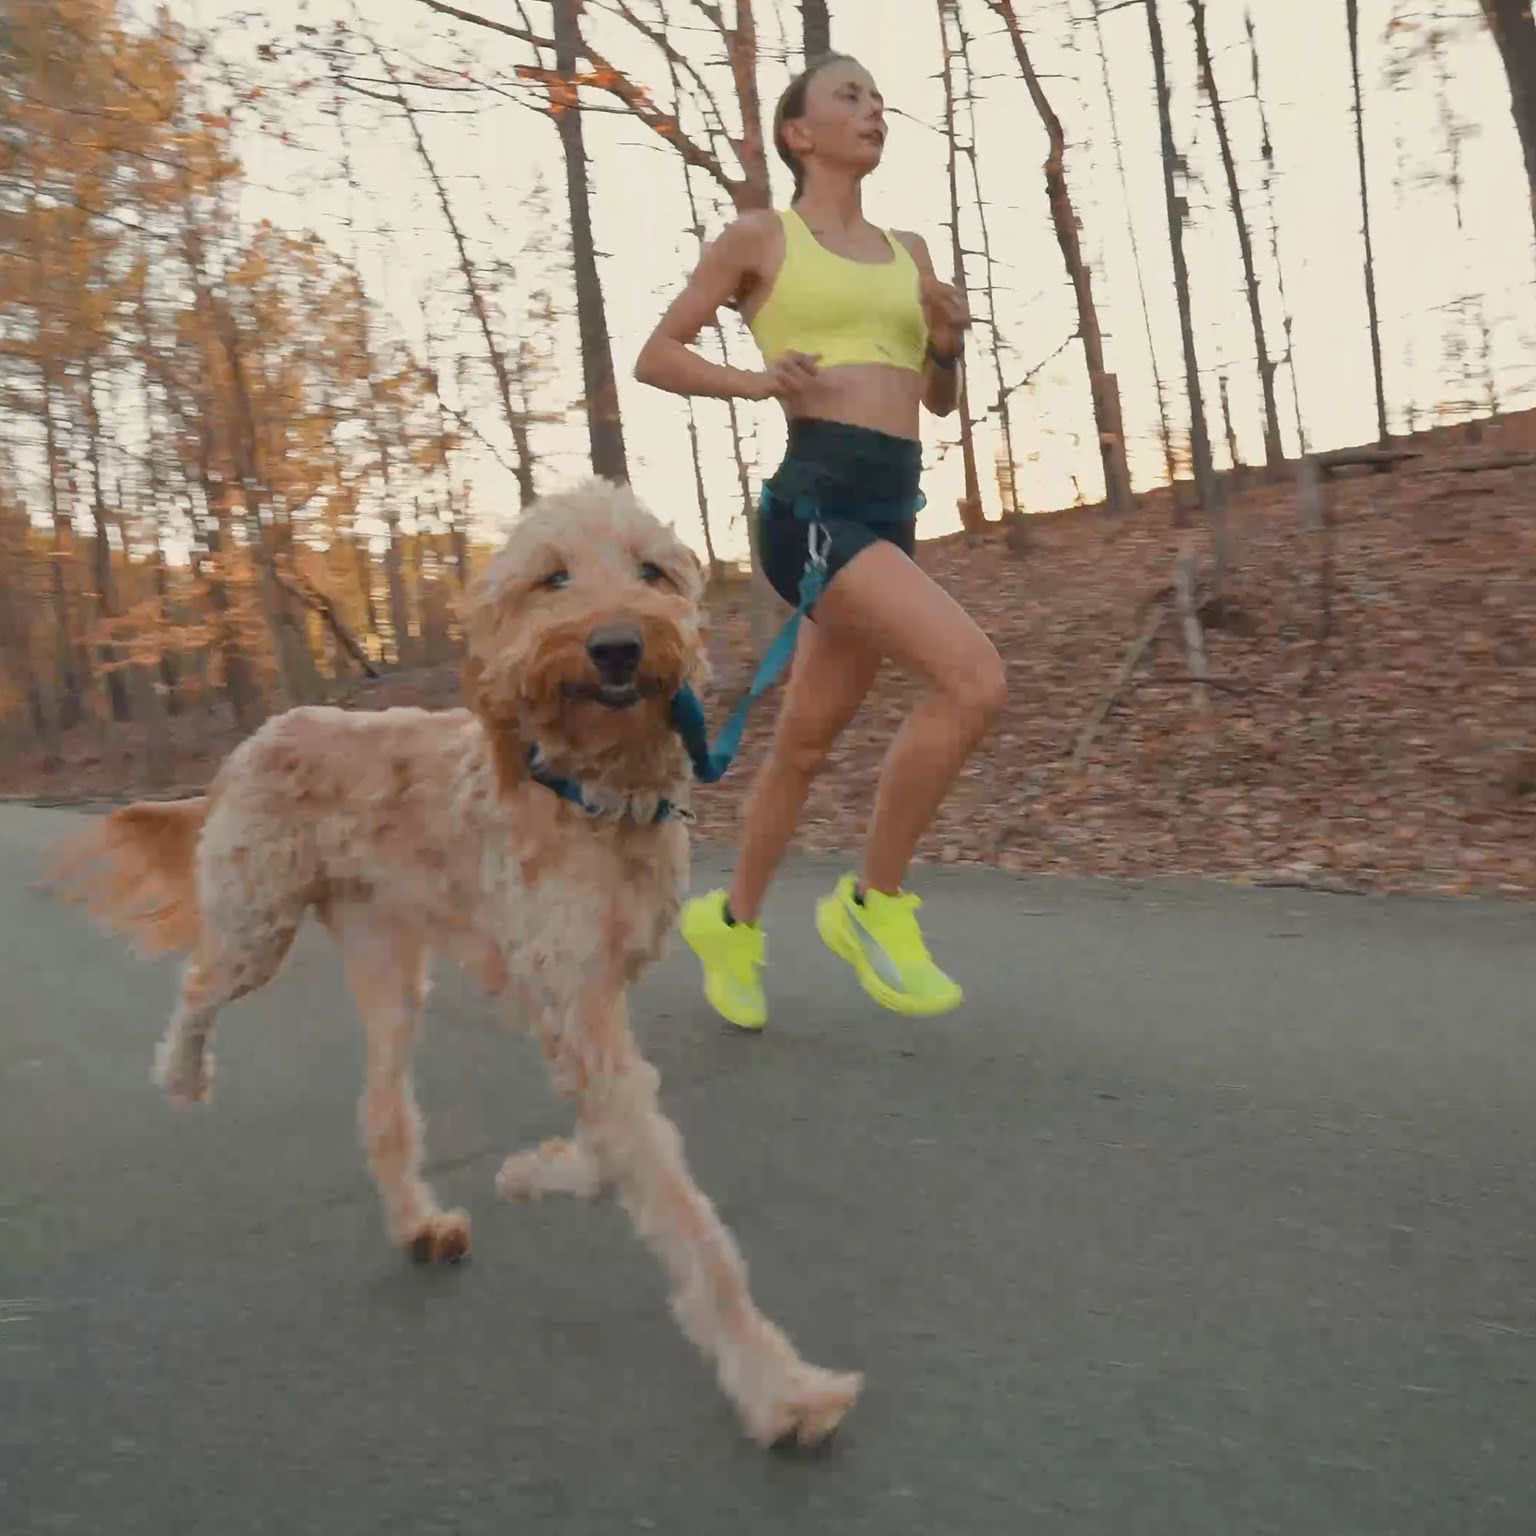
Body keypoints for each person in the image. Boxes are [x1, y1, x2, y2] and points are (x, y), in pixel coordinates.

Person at [633, 52, 1006, 1031]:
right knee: (972, 681)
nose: (874, 108)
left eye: (880, 97)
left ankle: (732, 925)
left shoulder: (911, 249)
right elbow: (657, 354)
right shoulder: (762, 238)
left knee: (801, 746)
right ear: (800, 134)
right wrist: (755, 382)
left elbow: (937, 399)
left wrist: (948, 343)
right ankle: (873, 904)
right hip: (812, 508)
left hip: (889, 509)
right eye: (850, 95)